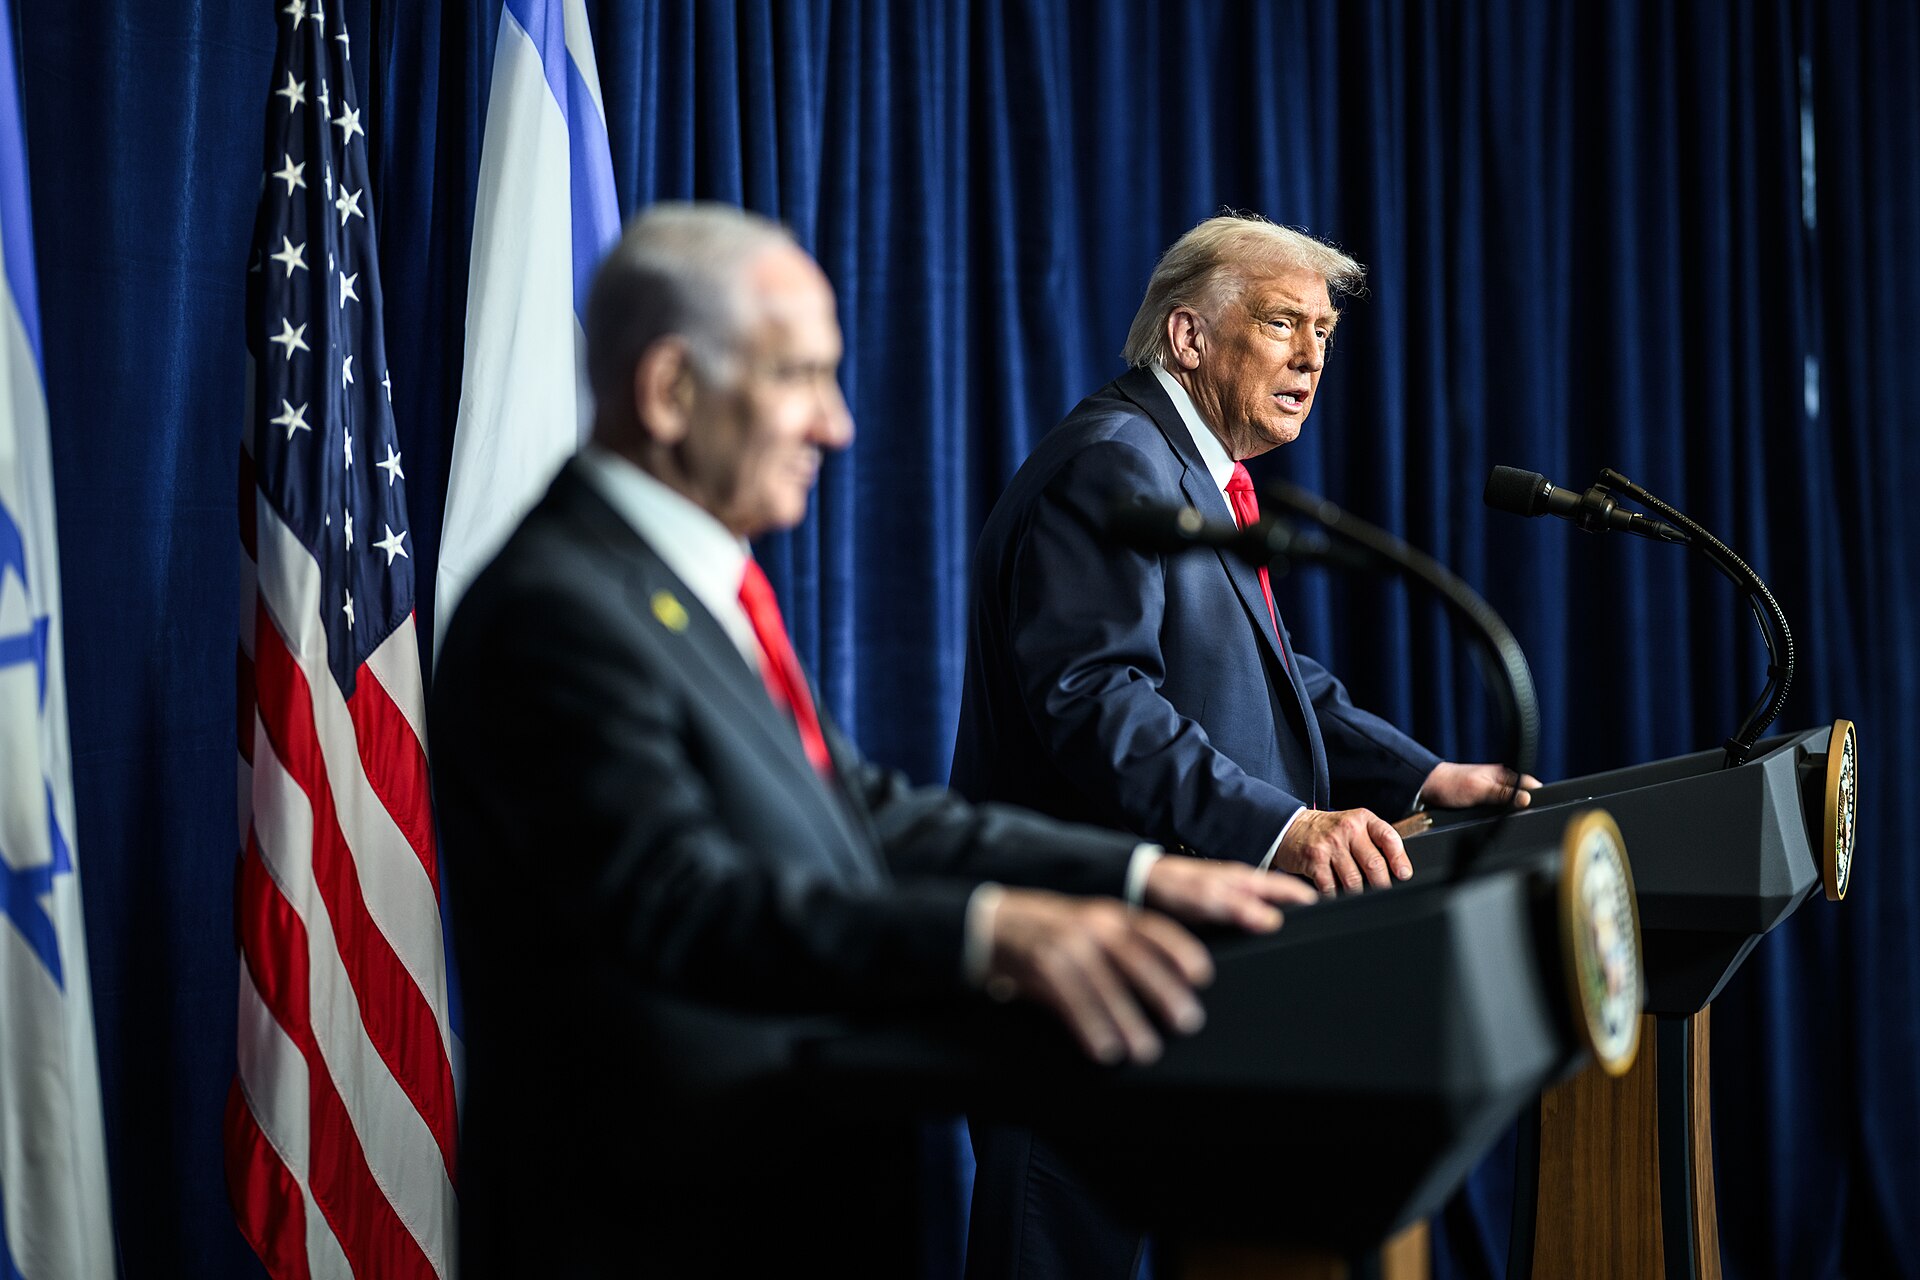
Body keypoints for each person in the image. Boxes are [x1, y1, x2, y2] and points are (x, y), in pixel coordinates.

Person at [429, 203, 1319, 1277]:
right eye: (798, 376)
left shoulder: (689, 588)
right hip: (646, 1223)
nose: (836, 424)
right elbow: (682, 898)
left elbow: (867, 811)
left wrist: (1137, 876)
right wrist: (993, 933)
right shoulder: (558, 609)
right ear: (670, 389)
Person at [951, 212, 1540, 1278]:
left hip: (1180, 967)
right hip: (1085, 959)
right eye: (1281, 323)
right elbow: (1094, 696)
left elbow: (1275, 680)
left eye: (1323, 331)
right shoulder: (1116, 463)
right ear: (1187, 337)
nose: (1313, 356)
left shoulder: (1194, 469)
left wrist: (1423, 773)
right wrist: (1285, 827)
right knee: (1055, 1244)